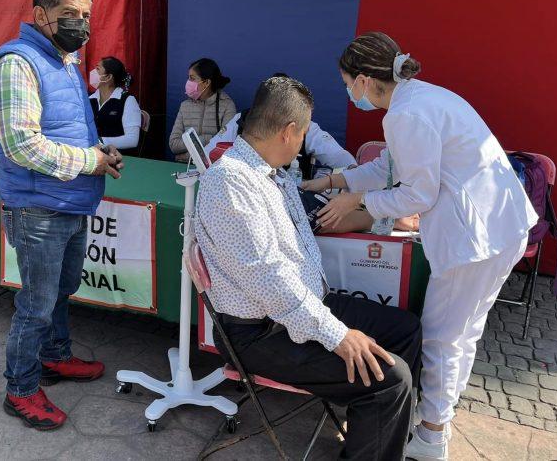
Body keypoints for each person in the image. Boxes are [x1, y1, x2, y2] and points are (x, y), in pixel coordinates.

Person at [303, 32, 537, 461]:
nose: (348, 93)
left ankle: (431, 436)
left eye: (346, 83)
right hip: (500, 225)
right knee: (461, 333)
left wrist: (357, 201)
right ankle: (434, 423)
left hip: (475, 238)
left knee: (444, 337)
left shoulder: (406, 115)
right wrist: (335, 181)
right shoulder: (418, 98)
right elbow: (390, 165)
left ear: (363, 79)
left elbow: (417, 195)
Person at [196, 76, 422, 461]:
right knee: (390, 379)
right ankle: (376, 435)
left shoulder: (272, 175)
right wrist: (337, 335)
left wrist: (365, 209)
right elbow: (269, 280)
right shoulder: (231, 182)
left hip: (297, 310)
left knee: (405, 330)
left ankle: (381, 438)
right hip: (259, 335)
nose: (302, 143)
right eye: (302, 134)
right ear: (288, 132)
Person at [0, 0, 124, 431]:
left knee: (61, 292)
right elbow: (21, 145)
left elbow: (67, 129)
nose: (80, 24)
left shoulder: (64, 61)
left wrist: (101, 149)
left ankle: (54, 358)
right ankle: (20, 388)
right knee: (36, 304)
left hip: (71, 203)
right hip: (37, 208)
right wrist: (89, 160)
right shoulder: (17, 64)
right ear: (40, 14)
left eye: (85, 15)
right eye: (69, 15)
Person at [207, 74, 356, 176]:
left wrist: (352, 176)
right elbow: (209, 153)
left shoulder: (305, 124)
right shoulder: (242, 119)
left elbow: (339, 157)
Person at [168, 58, 236, 162]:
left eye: (192, 78)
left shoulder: (227, 106)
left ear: (206, 82)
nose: (188, 82)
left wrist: (189, 150)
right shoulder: (185, 106)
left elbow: (225, 147)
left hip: (213, 170)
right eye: (188, 78)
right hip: (183, 167)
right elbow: (174, 145)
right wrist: (210, 139)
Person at [88, 56, 141, 153]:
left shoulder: (127, 100)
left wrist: (100, 142)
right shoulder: (89, 100)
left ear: (108, 77)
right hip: (93, 155)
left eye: (97, 69)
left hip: (121, 158)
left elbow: (132, 140)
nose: (93, 72)